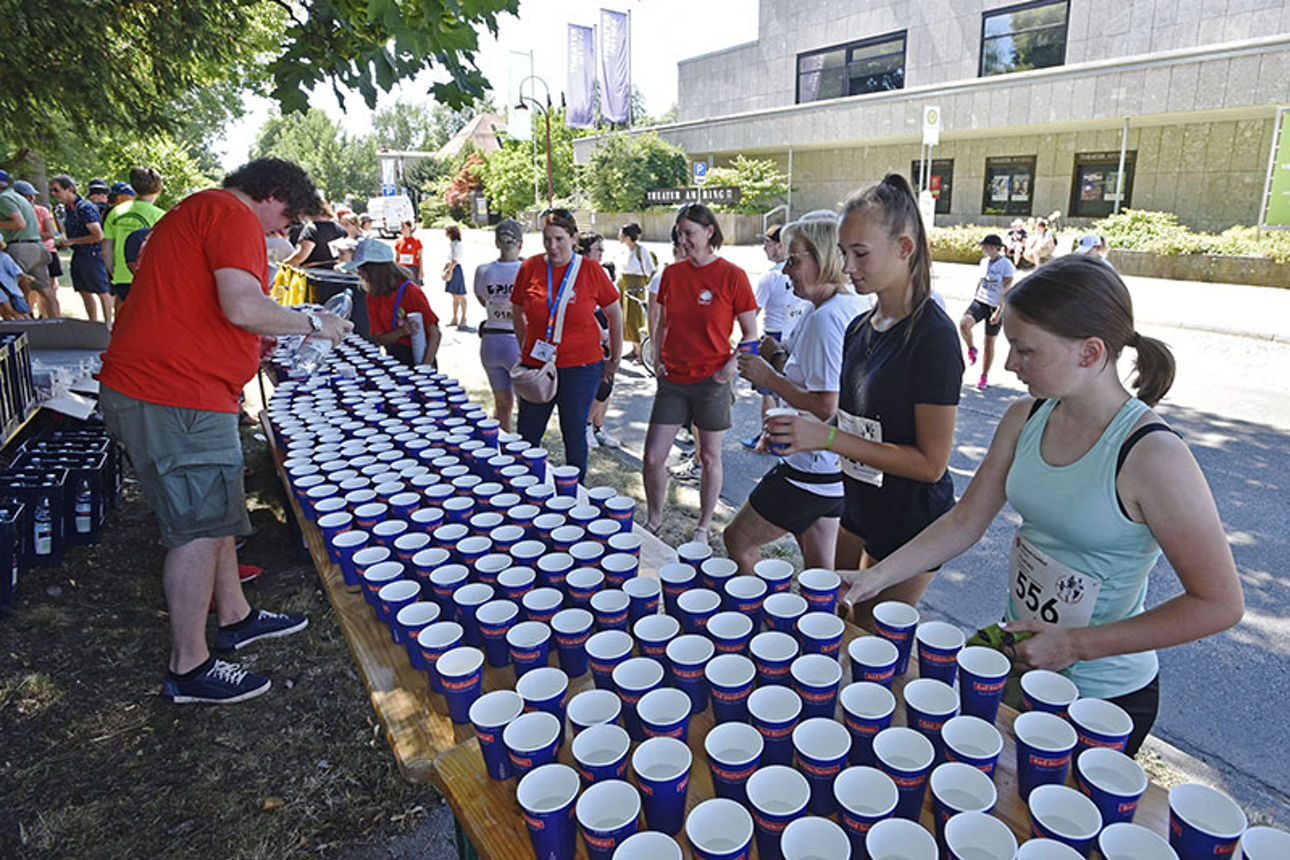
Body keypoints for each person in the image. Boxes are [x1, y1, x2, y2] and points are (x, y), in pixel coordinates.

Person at [837, 255, 1243, 755]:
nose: (1009, 365)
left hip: (1102, 697)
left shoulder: (1153, 455)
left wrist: (1074, 646)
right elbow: (965, 521)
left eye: (1026, 351)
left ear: (1090, 353)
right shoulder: (1024, 418)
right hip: (1023, 662)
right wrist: (876, 577)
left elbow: (1220, 604)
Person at [98, 157, 352, 704]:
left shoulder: (201, 212)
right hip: (172, 395)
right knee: (198, 528)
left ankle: (235, 615)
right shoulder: (229, 214)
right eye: (285, 219)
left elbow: (213, 310)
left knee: (216, 513)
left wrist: (252, 344)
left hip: (179, 392)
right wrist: (314, 321)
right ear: (271, 192)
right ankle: (189, 666)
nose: (282, 233)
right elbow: (241, 305)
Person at [764, 174, 963, 631]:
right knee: (831, 617)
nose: (847, 265)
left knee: (867, 641)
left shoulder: (933, 337)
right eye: (843, 251)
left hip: (910, 523)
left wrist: (827, 435)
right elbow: (857, 422)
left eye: (860, 253)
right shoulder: (861, 325)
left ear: (905, 248)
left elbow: (931, 464)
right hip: (857, 507)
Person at [726, 212, 870, 572]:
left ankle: (749, 620)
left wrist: (766, 376)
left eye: (794, 260)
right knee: (821, 575)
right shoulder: (839, 305)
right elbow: (813, 376)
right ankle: (819, 625)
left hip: (811, 468)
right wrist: (776, 354)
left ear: (822, 259)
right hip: (832, 470)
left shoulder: (825, 318)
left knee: (737, 540)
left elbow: (826, 405)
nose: (785, 270)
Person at [644, 202, 758, 543]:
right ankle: (655, 519)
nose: (684, 239)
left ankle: (703, 527)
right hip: (673, 381)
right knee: (652, 457)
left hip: (711, 382)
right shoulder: (672, 275)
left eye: (690, 233)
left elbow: (751, 334)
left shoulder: (732, 275)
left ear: (710, 232)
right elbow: (664, 321)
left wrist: (729, 369)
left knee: (708, 457)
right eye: (680, 233)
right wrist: (658, 358)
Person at [511, 209, 622, 481]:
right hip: (537, 366)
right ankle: (526, 489)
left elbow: (615, 313)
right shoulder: (531, 267)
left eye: (559, 239)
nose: (553, 246)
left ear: (574, 238)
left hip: (581, 367)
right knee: (528, 433)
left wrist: (614, 359)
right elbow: (517, 309)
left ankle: (575, 496)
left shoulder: (590, 270)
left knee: (574, 433)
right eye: (547, 239)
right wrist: (525, 344)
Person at [744, 224, 806, 451]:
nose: (764, 248)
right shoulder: (800, 275)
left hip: (773, 337)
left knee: (768, 389)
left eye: (768, 244)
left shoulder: (770, 278)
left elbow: (753, 312)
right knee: (792, 388)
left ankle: (767, 436)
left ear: (780, 246)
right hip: (796, 334)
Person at [342, 238, 440, 368]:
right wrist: (402, 331)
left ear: (376, 269)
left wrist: (424, 368)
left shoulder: (409, 291)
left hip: (422, 355)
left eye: (362, 268)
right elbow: (379, 338)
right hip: (396, 356)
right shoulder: (373, 296)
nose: (360, 274)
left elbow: (435, 333)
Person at [473, 219, 524, 433]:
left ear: (496, 243)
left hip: (491, 341)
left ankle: (503, 451)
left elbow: (483, 299)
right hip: (517, 341)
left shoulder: (483, 270)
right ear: (520, 243)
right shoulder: (527, 270)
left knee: (502, 405)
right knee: (527, 407)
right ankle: (525, 453)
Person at [577, 231, 622, 450]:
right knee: (598, 386)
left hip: (606, 330)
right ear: (586, 252)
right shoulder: (577, 272)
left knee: (609, 384)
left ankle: (598, 427)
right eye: (598, 249)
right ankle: (586, 426)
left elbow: (613, 306)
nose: (603, 252)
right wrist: (600, 331)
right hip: (590, 334)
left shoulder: (602, 271)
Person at [102, 166, 165, 315]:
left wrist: (114, 271)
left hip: (121, 276)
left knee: (121, 320)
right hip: (147, 278)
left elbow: (106, 249)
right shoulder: (161, 216)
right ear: (159, 188)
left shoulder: (116, 211)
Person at [51, 175, 111, 322]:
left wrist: (72, 241)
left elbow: (98, 235)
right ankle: (93, 322)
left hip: (92, 254)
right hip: (79, 254)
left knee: (102, 291)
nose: (54, 194)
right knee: (84, 290)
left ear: (69, 189)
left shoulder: (84, 207)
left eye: (56, 190)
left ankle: (108, 325)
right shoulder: (69, 209)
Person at [960, 233, 1016, 391]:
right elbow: (980, 281)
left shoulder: (1006, 265)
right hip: (980, 301)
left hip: (995, 305)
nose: (983, 249)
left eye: (985, 246)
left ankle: (984, 375)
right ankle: (971, 348)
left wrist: (999, 311)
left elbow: (1006, 289)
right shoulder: (984, 262)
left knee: (989, 342)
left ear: (993, 248)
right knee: (964, 324)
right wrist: (975, 296)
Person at [0, 171, 55, 318]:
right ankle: (57, 322)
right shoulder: (18, 197)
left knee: (10, 291)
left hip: (19, 248)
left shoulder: (4, 198)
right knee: (45, 290)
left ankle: (19, 326)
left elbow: (19, 223)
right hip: (37, 247)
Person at [13, 181, 62, 301]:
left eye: (33, 195)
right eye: (27, 195)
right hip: (24, 252)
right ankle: (28, 316)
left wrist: (28, 237)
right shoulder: (13, 212)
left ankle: (51, 317)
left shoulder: (41, 210)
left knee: (48, 288)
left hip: (46, 250)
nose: (31, 198)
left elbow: (50, 233)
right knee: (26, 288)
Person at [616, 223, 655, 362]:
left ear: (627, 237)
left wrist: (650, 288)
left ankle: (640, 353)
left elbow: (651, 270)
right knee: (625, 318)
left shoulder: (641, 251)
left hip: (635, 286)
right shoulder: (624, 250)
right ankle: (634, 348)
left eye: (621, 234)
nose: (619, 236)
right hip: (624, 284)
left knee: (634, 319)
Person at [282, 204, 346, 269]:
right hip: (336, 272)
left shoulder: (312, 229)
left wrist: (283, 264)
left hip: (314, 272)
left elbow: (300, 256)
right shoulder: (339, 229)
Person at [443, 224, 468, 327]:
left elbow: (455, 260)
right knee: (454, 295)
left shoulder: (457, 244)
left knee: (460, 294)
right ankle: (455, 317)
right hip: (452, 267)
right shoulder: (452, 244)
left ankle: (463, 317)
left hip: (455, 269)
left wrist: (449, 270)